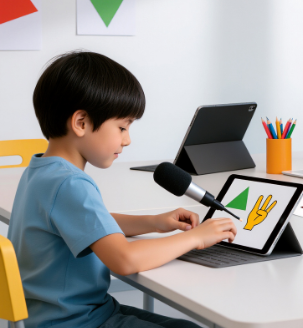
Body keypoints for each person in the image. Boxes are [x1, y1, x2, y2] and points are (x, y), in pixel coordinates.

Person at [8, 51, 238, 328]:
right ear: (81, 123)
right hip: (78, 322)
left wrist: (153, 222)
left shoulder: (41, 171)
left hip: (74, 315)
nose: (127, 140)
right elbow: (125, 260)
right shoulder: (71, 184)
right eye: (122, 127)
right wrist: (196, 239)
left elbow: (91, 223)